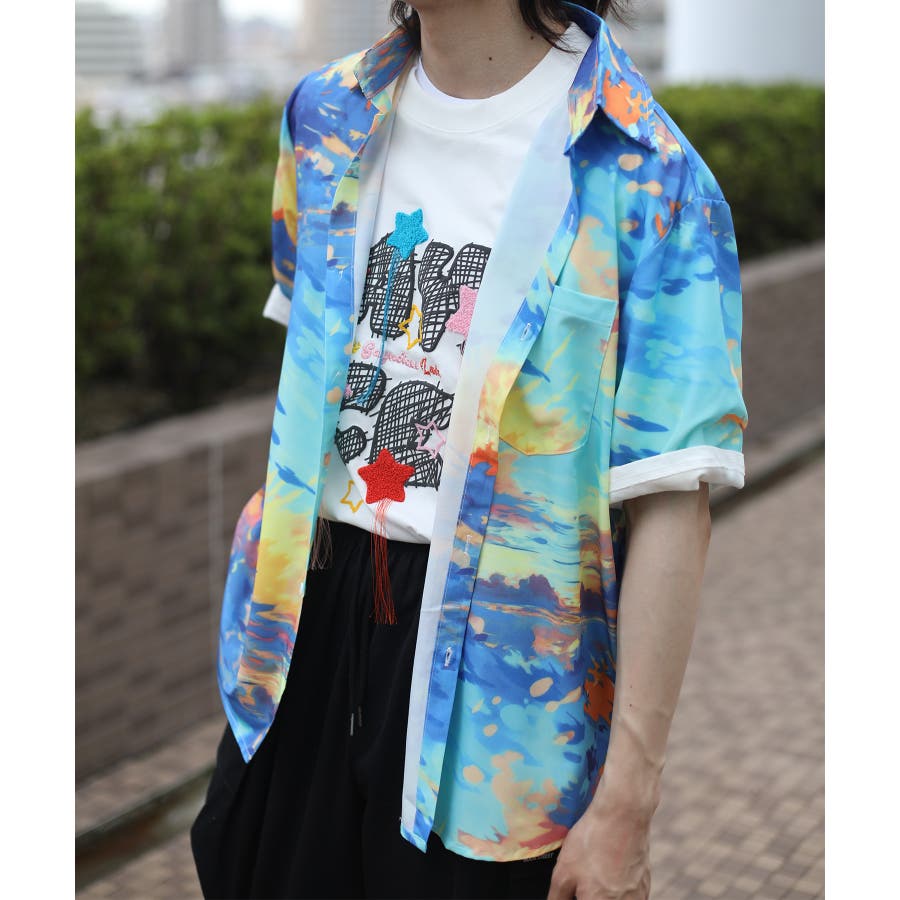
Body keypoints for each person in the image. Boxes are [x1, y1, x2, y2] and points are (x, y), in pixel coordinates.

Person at [190, 1, 748, 898]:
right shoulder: (323, 115)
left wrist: (627, 803)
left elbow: (672, 500)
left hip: (499, 676)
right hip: (304, 626)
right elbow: (310, 370)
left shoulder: (649, 172)